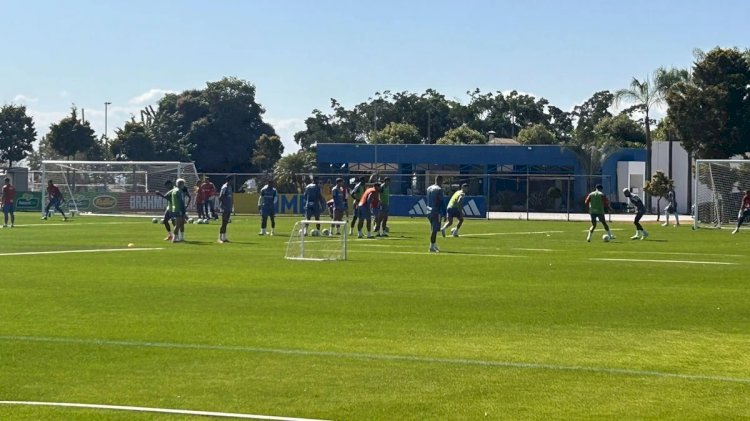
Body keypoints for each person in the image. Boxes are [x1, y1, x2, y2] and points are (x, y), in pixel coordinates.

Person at [426, 175, 445, 252]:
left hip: (428, 210)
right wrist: (444, 212)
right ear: (441, 181)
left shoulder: (429, 188)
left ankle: (434, 244)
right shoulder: (439, 189)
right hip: (436, 211)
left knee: (433, 228)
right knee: (435, 229)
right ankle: (431, 246)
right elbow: (441, 202)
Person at [218, 175, 233, 243]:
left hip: (229, 207)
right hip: (224, 207)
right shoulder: (225, 187)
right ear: (229, 180)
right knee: (223, 222)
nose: (232, 181)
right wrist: (222, 205)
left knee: (226, 222)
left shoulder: (230, 187)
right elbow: (221, 197)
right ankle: (220, 238)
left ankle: (224, 237)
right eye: (231, 180)